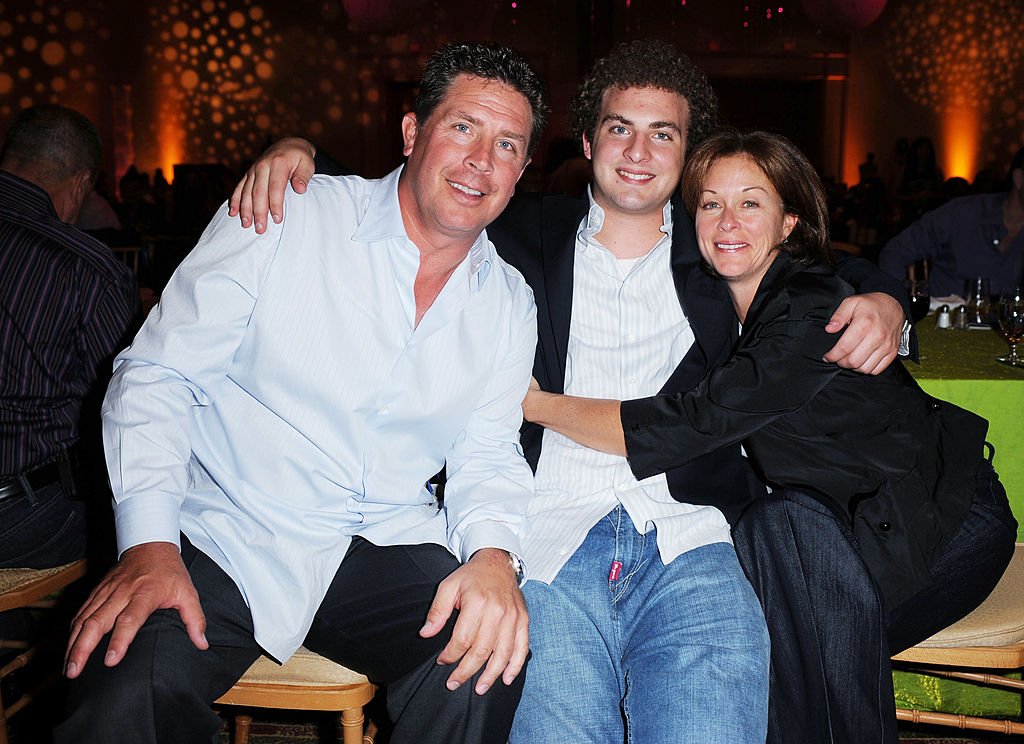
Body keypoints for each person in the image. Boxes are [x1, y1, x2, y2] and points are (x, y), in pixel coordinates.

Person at [232, 39, 912, 744]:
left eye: (663, 134)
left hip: (692, 535)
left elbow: (837, 266)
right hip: (544, 538)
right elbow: (408, 188)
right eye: (620, 127)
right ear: (588, 140)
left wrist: (889, 302)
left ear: (688, 153)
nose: (639, 151)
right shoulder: (523, 229)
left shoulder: (718, 248)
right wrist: (296, 145)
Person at [54, 42, 546, 744]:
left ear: (523, 170)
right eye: (463, 127)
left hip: (380, 539)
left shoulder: (507, 301)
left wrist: (495, 557)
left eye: (507, 144)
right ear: (412, 134)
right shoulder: (284, 214)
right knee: (128, 680)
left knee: (480, 659)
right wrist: (150, 545)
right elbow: (158, 375)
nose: (481, 161)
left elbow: (489, 453)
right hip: (231, 527)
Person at [521, 130, 1018, 744]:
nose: (728, 221)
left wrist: (537, 404)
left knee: (780, 602)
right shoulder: (719, 298)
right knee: (770, 565)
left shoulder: (809, 307)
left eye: (751, 203)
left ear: (788, 224)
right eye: (711, 204)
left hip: (946, 525)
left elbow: (689, 424)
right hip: (844, 534)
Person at [0, 105, 138, 638]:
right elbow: (125, 408)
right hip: (19, 520)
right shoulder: (84, 267)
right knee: (152, 519)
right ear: (81, 183)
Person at [880, 147, 1024, 297]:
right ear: (1019, 179)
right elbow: (895, 252)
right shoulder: (963, 213)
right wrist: (895, 303)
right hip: (943, 317)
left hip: (1006, 319)